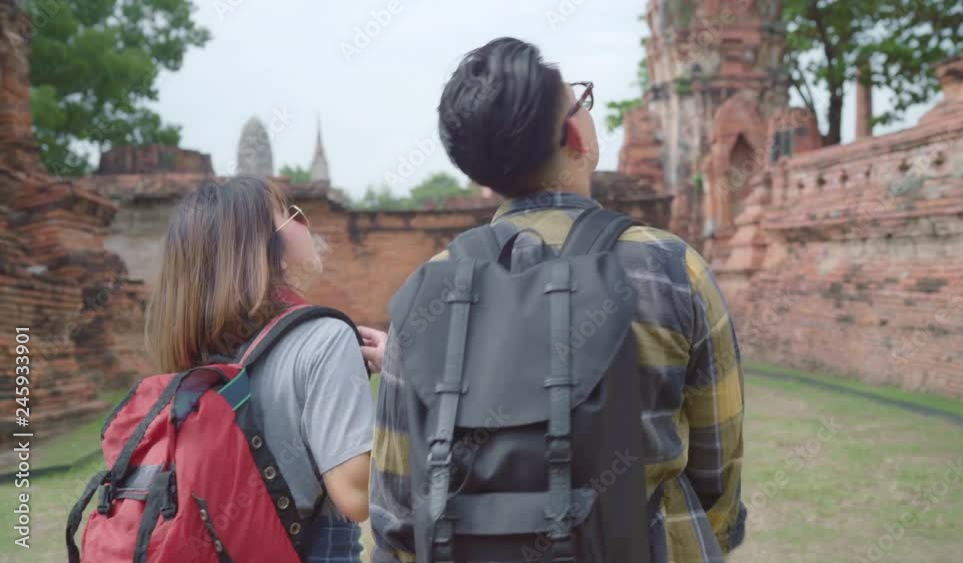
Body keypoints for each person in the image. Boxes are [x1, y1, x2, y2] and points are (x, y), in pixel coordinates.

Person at [364, 38, 746, 562]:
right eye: (581, 101)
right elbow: (717, 468)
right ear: (573, 132)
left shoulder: (428, 290)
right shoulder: (670, 269)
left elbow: (396, 506)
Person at [146, 177, 372, 562]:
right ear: (269, 249)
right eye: (293, 215)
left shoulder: (196, 351)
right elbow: (356, 497)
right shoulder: (326, 337)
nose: (307, 226)